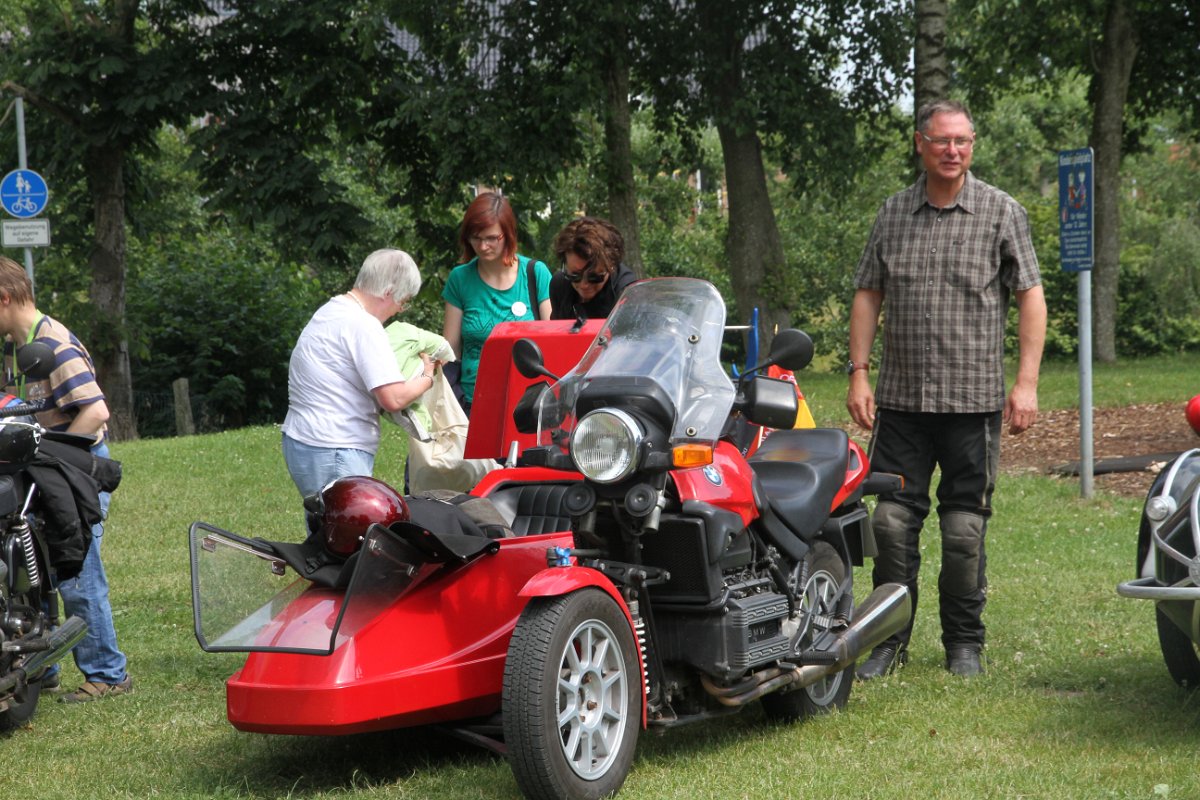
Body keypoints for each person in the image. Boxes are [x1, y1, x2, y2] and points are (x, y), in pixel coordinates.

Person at [846, 100, 1047, 680]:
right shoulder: (892, 214)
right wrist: (858, 371)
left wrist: (1026, 383)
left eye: (962, 141)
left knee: (963, 532)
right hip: (902, 404)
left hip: (973, 405)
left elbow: (1031, 296)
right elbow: (868, 293)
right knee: (889, 524)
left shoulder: (1001, 212)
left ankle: (964, 645)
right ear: (920, 144)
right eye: (941, 141)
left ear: (972, 145)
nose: (952, 150)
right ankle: (887, 641)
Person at [0, 255, 129, 703]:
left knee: (77, 575)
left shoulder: (54, 345)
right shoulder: (17, 346)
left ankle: (108, 675)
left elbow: (96, 411)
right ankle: (42, 665)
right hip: (39, 474)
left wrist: (60, 458)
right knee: (39, 575)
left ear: (5, 298)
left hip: (72, 473)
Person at [281, 249, 436, 499]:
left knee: (324, 528)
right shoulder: (363, 325)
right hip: (336, 446)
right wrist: (427, 377)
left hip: (304, 441)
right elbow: (393, 398)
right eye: (403, 301)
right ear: (388, 292)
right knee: (350, 531)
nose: (399, 310)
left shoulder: (331, 310)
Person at [442, 192, 552, 414]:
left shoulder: (535, 273)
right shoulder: (460, 278)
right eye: (476, 238)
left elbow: (552, 340)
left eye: (491, 238)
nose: (482, 246)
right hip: (473, 402)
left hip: (529, 403)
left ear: (508, 234)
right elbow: (450, 349)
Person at [549, 216, 638, 321]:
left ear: (611, 267)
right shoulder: (559, 285)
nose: (584, 285)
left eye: (594, 277)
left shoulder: (626, 292)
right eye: (574, 276)